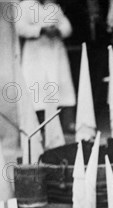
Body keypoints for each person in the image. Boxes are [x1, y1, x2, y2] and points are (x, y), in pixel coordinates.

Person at [16, 0, 76, 129]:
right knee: (37, 87)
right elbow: (20, 27)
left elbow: (67, 27)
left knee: (61, 85)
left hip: (55, 50)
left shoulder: (53, 7)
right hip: (35, 52)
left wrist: (57, 30)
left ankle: (65, 123)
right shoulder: (25, 6)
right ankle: (41, 124)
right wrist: (42, 30)